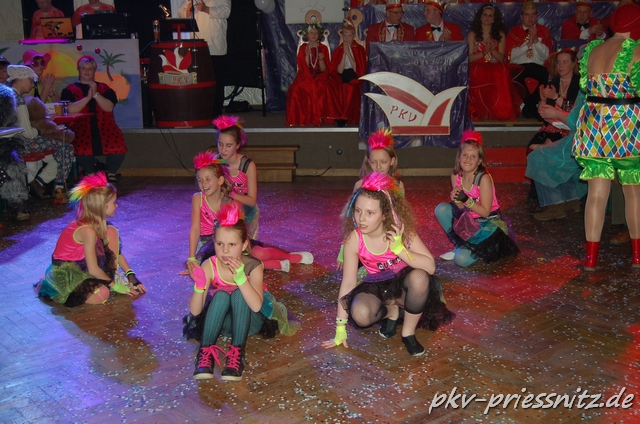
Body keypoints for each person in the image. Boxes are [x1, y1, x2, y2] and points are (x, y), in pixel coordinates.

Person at [322, 172, 454, 356]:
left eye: (370, 213)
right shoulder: (354, 239)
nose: (361, 218)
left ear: (384, 215)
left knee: (420, 278)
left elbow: (430, 266)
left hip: (405, 287)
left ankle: (408, 333)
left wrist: (400, 249)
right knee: (360, 314)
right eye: (358, 211)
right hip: (376, 286)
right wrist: (340, 329)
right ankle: (391, 311)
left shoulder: (401, 230)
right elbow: (348, 283)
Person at [186, 202, 299, 381]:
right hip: (222, 324)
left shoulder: (254, 266)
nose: (225, 250)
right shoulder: (209, 265)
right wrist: (199, 285)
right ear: (214, 242)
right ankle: (204, 354)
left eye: (232, 244)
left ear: (244, 244)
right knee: (221, 295)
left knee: (238, 293)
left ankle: (237, 355)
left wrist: (240, 279)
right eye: (220, 244)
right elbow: (195, 311)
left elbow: (256, 306)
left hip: (250, 323)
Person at [572, 4, 640, 270]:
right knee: (634, 192)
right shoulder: (636, 51)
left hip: (594, 126)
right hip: (625, 126)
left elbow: (585, 86)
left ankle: (590, 259)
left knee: (596, 194)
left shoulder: (592, 50)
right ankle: (637, 257)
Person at [211, 116, 314, 271]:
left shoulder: (247, 165)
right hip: (223, 214)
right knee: (229, 258)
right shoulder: (216, 164)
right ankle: (277, 264)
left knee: (251, 253)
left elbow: (252, 201)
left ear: (238, 145)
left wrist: (231, 194)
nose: (223, 150)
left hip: (246, 212)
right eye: (220, 144)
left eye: (229, 145)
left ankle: (290, 257)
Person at [35, 173, 146, 306]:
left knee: (111, 231)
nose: (116, 205)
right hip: (69, 272)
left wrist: (130, 275)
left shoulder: (97, 225)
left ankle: (112, 276)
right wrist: (116, 286)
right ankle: (52, 283)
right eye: (114, 202)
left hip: (83, 264)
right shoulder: (88, 231)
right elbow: (93, 269)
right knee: (103, 293)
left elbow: (113, 253)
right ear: (101, 206)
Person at [434, 130, 519, 267]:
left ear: (479, 161)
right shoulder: (456, 176)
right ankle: (461, 245)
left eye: (473, 156)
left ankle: (480, 248)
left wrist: (466, 200)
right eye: (465, 155)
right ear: (459, 157)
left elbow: (485, 212)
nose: (468, 159)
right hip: (470, 221)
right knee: (441, 209)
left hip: (488, 223)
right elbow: (461, 210)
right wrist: (457, 200)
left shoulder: (483, 179)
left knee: (461, 260)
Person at [337, 128, 404, 271]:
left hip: (389, 240)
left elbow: (401, 216)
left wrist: (402, 243)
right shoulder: (360, 185)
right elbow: (351, 218)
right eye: (374, 162)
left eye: (383, 162)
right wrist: (344, 250)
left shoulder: (398, 186)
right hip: (366, 241)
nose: (378, 167)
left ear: (392, 161)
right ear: (368, 161)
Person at [8, 65, 73, 203]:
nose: (32, 85)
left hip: (12, 142)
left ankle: (38, 182)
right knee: (66, 148)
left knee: (56, 152)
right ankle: (59, 188)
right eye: (30, 81)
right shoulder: (18, 100)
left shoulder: (8, 96)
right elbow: (27, 132)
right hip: (22, 143)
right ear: (21, 79)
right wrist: (40, 131)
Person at [61, 56, 127, 183]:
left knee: (118, 146)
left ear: (94, 71)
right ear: (79, 70)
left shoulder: (104, 88)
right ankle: (90, 173)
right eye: (84, 68)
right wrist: (88, 97)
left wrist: (96, 94)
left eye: (90, 68)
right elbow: (70, 109)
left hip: (105, 127)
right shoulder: (70, 89)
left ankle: (111, 172)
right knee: (82, 147)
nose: (87, 71)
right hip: (81, 127)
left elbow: (109, 107)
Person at [526, 91, 587, 221]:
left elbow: (577, 121)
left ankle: (555, 205)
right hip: (583, 138)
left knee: (538, 157)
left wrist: (556, 114)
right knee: (550, 154)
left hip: (583, 141)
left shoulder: (583, 86)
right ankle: (571, 200)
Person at [467, 4, 522, 121]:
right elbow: (469, 58)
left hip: (494, 64)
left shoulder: (500, 35)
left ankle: (500, 111)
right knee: (475, 70)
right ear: (480, 17)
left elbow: (502, 58)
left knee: (501, 70)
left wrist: (492, 50)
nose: (487, 18)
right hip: (477, 64)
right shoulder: (472, 35)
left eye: (490, 16)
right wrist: (484, 52)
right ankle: (480, 111)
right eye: (485, 15)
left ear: (494, 19)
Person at [178, 0, 231, 119]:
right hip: (197, 46)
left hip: (215, 47)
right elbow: (180, 11)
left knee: (216, 82)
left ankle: (216, 114)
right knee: (199, 81)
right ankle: (201, 112)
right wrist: (188, 11)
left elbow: (226, 11)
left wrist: (206, 9)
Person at [506, 2, 553, 119]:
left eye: (533, 15)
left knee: (546, 75)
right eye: (527, 15)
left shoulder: (544, 31)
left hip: (539, 67)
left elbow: (547, 56)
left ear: (536, 16)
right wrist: (527, 45)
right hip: (520, 67)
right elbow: (510, 56)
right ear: (521, 16)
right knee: (514, 76)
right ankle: (531, 106)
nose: (530, 18)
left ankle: (529, 106)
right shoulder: (514, 31)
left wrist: (536, 41)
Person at [285, 23, 335, 127]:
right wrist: (307, 55)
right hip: (306, 75)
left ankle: (319, 116)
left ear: (319, 35)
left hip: (320, 76)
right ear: (307, 35)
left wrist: (321, 59)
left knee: (323, 87)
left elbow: (324, 69)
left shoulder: (323, 48)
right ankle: (300, 118)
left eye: (316, 33)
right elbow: (304, 67)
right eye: (311, 33)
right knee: (295, 89)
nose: (314, 35)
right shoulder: (303, 48)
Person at [327, 19, 367, 127]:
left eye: (349, 36)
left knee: (352, 86)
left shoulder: (359, 49)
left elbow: (357, 69)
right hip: (342, 73)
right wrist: (344, 53)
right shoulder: (338, 50)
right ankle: (337, 114)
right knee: (332, 85)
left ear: (354, 36)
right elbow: (339, 71)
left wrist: (349, 52)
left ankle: (346, 116)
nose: (347, 38)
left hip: (354, 73)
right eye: (345, 35)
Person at [0, 83, 30, 220]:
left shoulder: (5, 93)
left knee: (11, 158)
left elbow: (6, 121)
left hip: (6, 140)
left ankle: (16, 203)